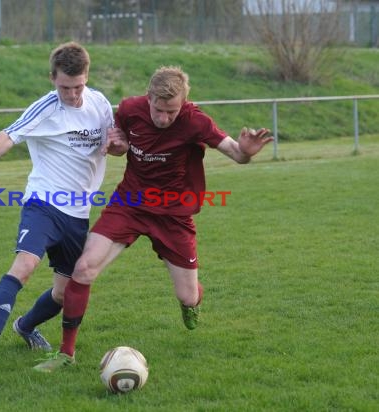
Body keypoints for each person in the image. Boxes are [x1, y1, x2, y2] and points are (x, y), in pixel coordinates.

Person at [34, 66, 274, 372]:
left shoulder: (196, 121)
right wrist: (117, 145)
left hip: (173, 214)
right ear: (147, 98)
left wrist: (247, 152)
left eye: (171, 112)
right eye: (158, 110)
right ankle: (66, 354)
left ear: (184, 103)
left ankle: (191, 305)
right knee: (83, 269)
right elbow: (119, 146)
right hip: (130, 204)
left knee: (187, 296)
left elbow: (236, 154)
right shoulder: (131, 110)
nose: (163, 118)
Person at [0, 42, 128, 372]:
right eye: (65, 87)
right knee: (24, 266)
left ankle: (24, 326)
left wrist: (118, 144)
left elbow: (115, 143)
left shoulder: (99, 102)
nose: (73, 94)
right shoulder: (46, 108)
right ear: (52, 78)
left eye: (78, 86)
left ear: (87, 77)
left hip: (77, 213)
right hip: (44, 203)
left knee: (64, 294)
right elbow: (9, 134)